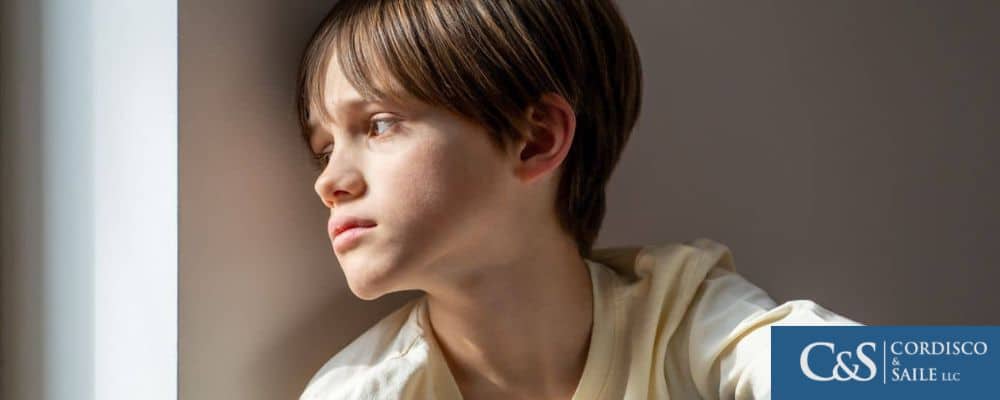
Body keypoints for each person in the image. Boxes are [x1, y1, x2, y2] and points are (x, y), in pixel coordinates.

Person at [294, 1, 860, 399]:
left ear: (536, 139)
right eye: (323, 150)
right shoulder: (361, 392)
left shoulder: (682, 320)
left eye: (380, 124)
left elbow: (918, 377)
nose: (329, 181)